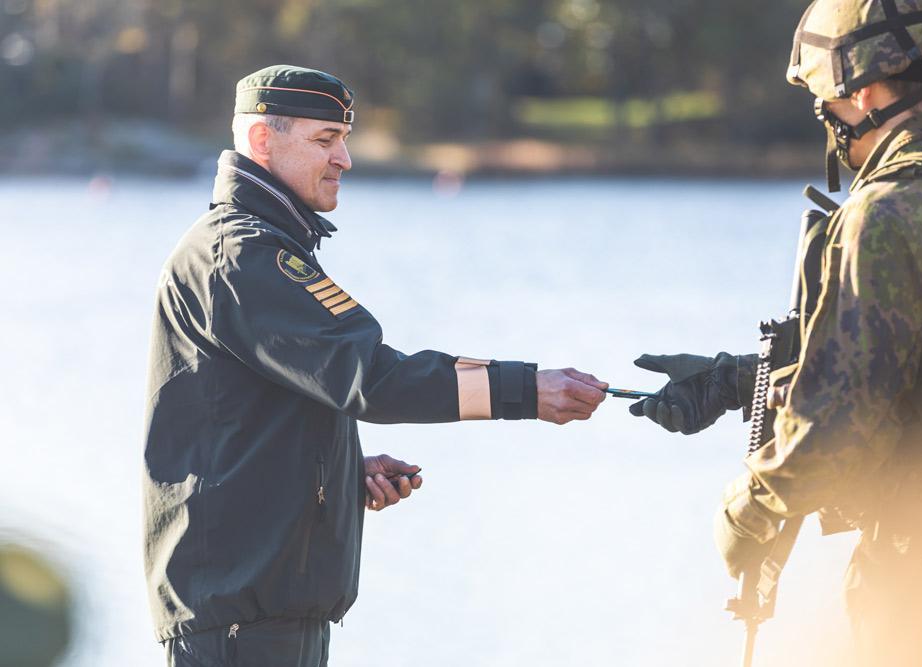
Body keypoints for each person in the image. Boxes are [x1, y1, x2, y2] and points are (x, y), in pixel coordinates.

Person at [143, 64, 608, 666]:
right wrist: (527, 391)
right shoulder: (244, 255)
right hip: (241, 621)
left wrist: (338, 470)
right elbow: (373, 377)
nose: (345, 158)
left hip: (259, 612)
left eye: (344, 139)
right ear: (262, 141)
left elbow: (247, 421)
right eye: (324, 140)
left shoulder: (257, 247)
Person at [631, 2, 922, 664]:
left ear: (862, 88)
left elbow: (843, 419)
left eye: (825, 93)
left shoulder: (886, 212)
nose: (826, 114)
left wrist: (751, 507)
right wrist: (737, 379)